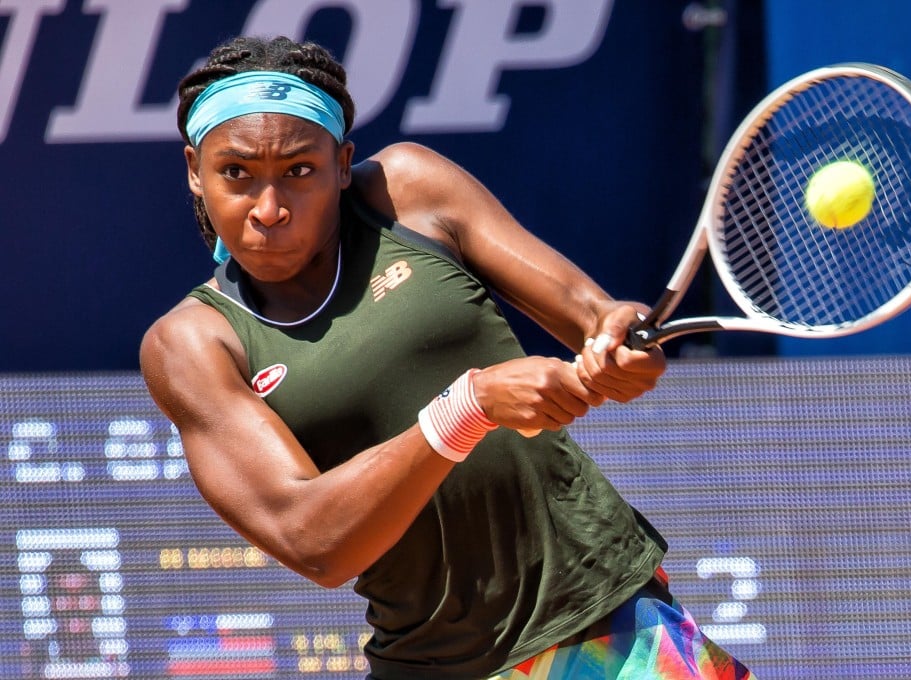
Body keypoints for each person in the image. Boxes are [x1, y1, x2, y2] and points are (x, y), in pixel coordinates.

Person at [140, 35, 755, 680]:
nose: (269, 210)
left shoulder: (408, 190)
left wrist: (615, 338)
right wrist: (468, 406)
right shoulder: (192, 343)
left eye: (300, 171)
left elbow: (591, 314)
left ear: (342, 164)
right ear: (195, 170)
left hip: (609, 624)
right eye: (236, 174)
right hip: (433, 664)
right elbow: (311, 540)